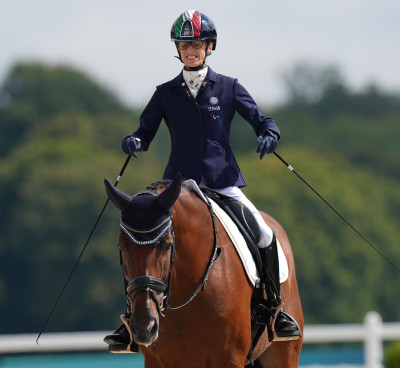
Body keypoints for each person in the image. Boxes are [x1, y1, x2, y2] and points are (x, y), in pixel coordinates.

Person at [104, 10, 301, 352]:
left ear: (210, 46)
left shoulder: (228, 87)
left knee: (265, 235)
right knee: (144, 241)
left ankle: (275, 311)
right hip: (179, 189)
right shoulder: (165, 93)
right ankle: (130, 320)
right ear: (177, 50)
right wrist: (134, 141)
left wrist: (270, 132)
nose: (191, 50)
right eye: (184, 45)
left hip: (222, 183)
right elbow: (145, 131)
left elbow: (260, 119)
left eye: (196, 44)